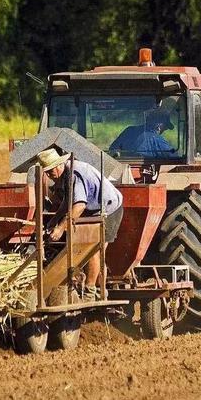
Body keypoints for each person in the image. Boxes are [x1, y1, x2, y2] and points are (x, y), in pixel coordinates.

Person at [38, 148, 124, 298]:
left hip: (109, 208)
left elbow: (79, 205)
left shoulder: (74, 174)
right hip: (94, 208)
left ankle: (91, 292)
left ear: (58, 166)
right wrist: (54, 219)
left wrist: (60, 228)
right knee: (86, 247)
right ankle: (94, 288)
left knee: (94, 250)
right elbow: (68, 201)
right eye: (46, 173)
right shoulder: (65, 173)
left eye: (50, 172)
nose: (49, 176)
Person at [109, 109, 175, 158]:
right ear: (159, 125)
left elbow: (112, 150)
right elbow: (173, 157)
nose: (165, 129)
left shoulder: (129, 130)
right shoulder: (157, 140)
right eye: (165, 126)